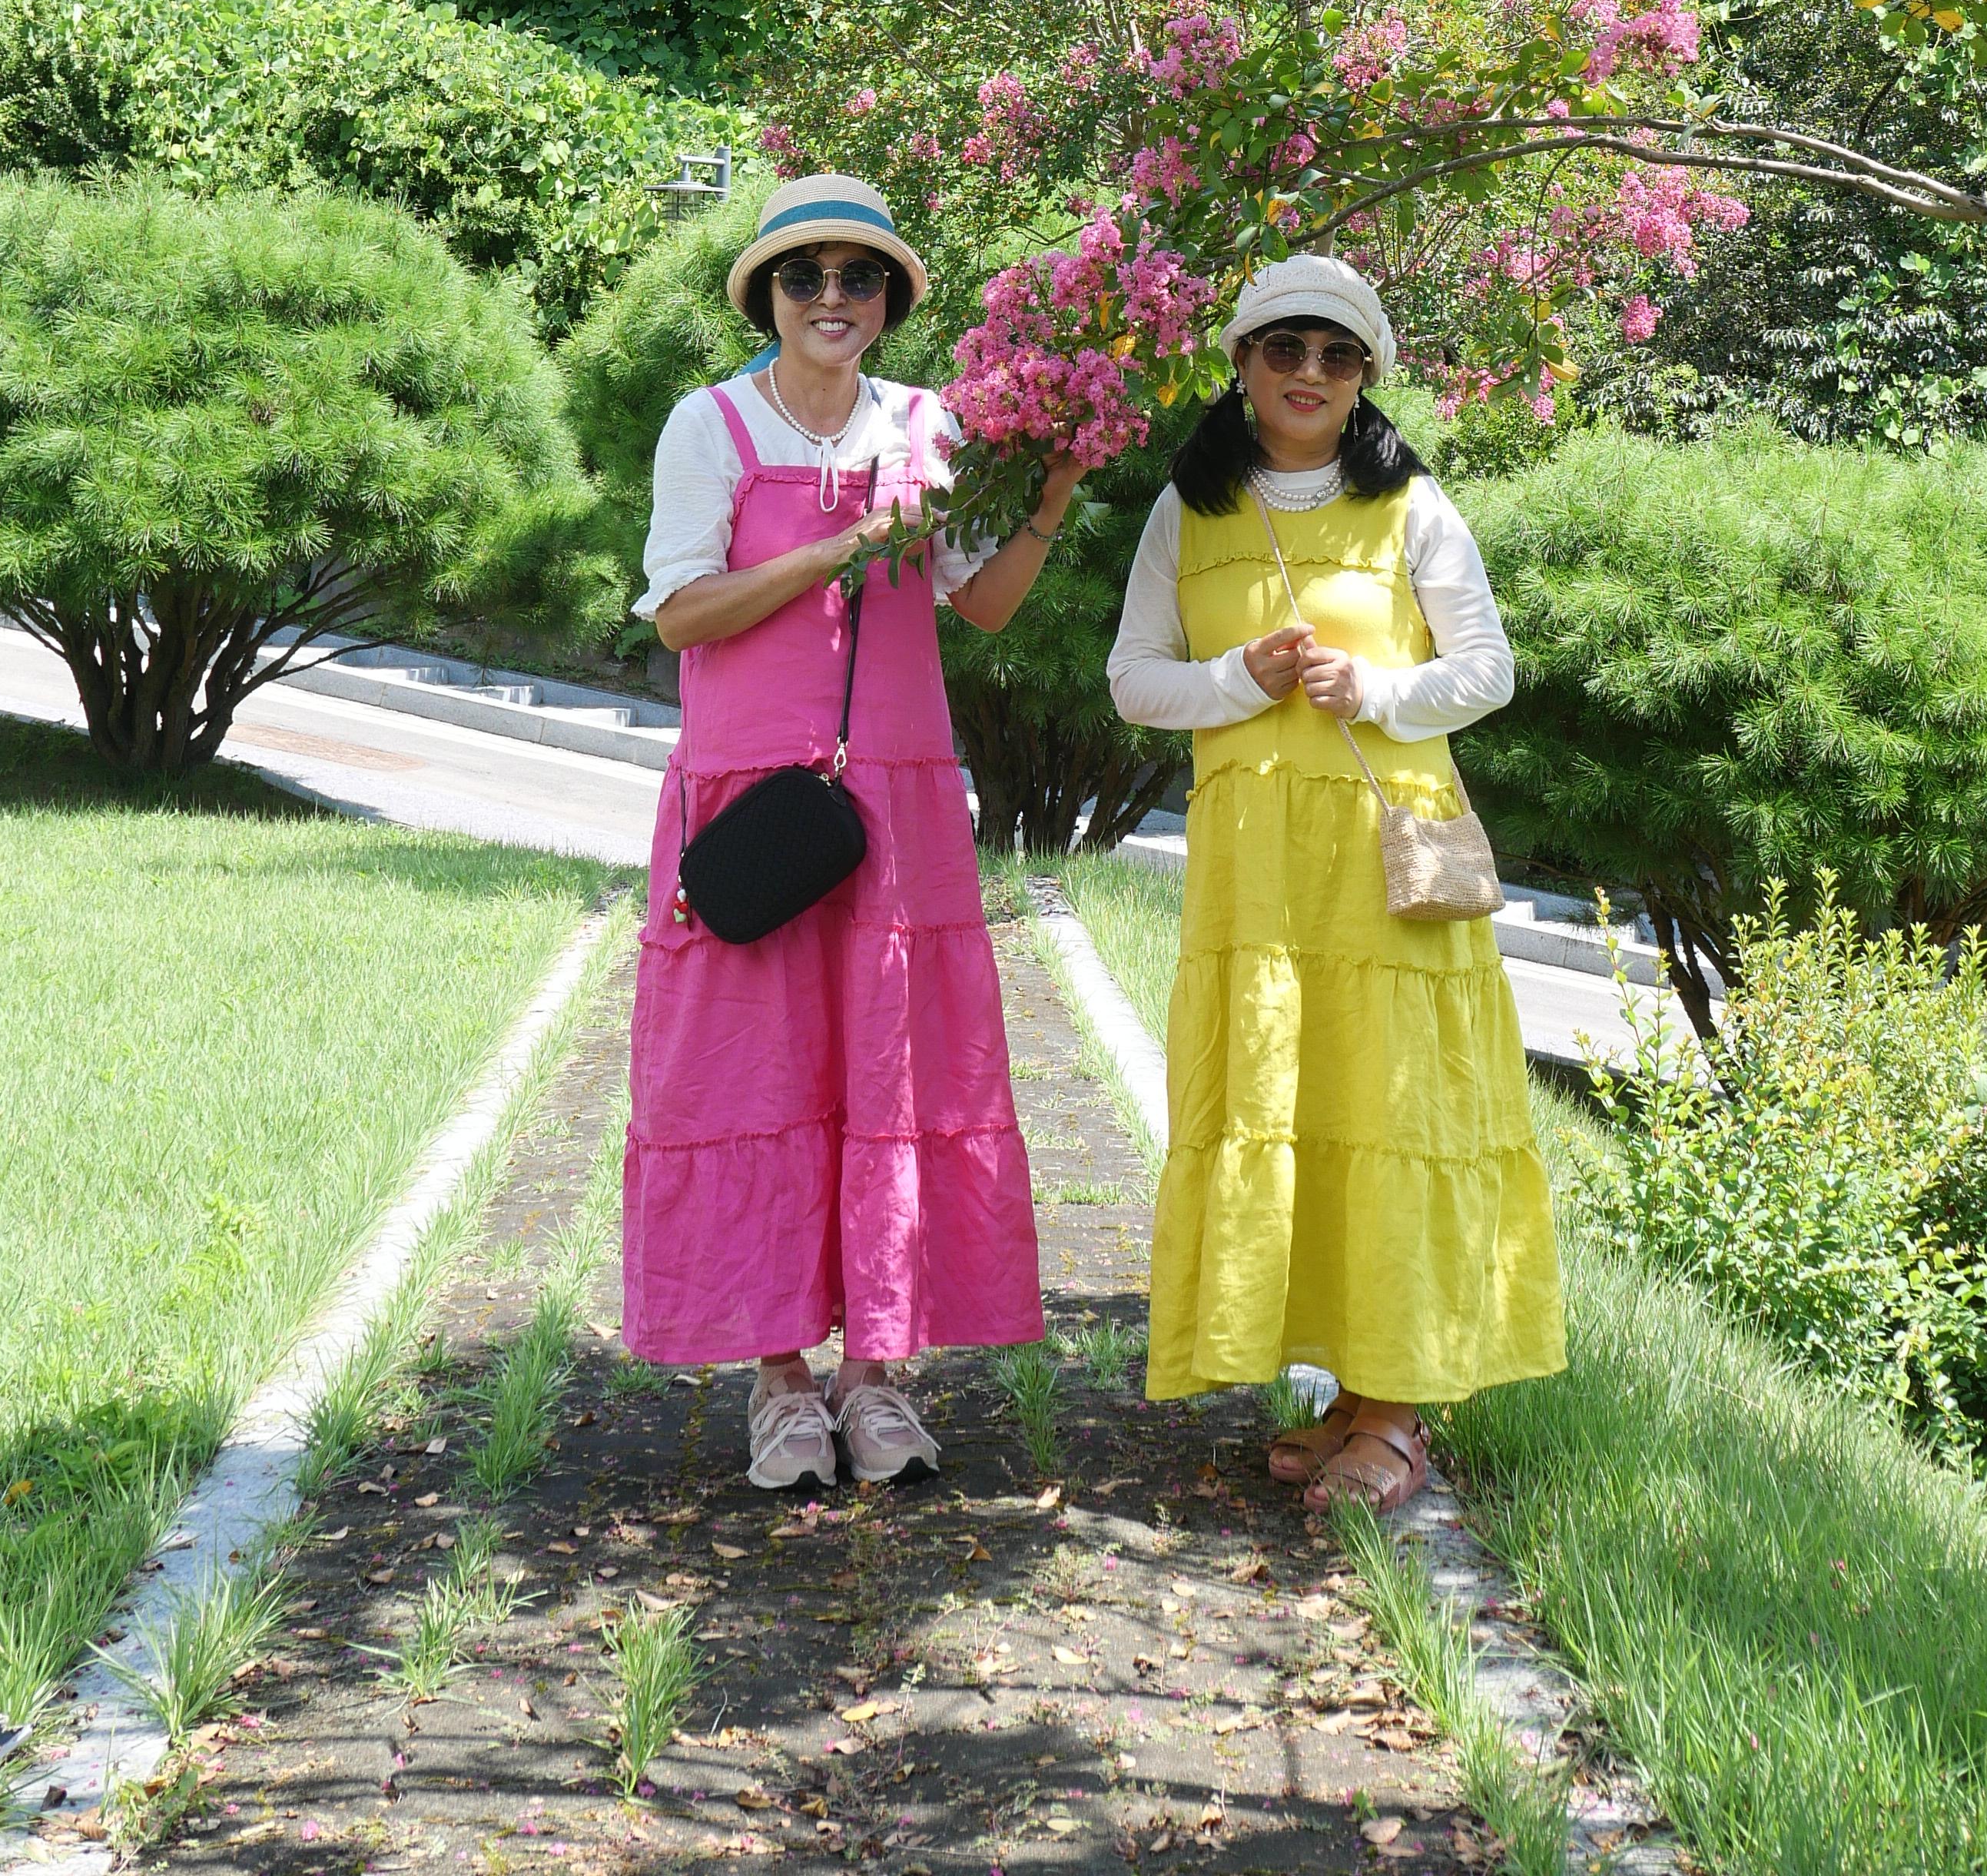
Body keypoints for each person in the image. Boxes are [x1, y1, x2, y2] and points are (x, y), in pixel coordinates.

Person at [629, 171, 1080, 1493]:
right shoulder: (710, 424)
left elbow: (982, 605)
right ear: (766, 297)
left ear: (890, 299)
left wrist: (1051, 495)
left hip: (894, 794)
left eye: (860, 277)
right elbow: (682, 613)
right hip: (754, 795)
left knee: (891, 1066)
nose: (833, 297)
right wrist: (837, 550)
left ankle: (877, 1371)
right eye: (805, 276)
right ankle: (780, 1383)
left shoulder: (929, 427)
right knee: (754, 1073)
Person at [1104, 254, 1563, 1511]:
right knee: (1294, 1107)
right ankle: (1344, 1395)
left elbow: (1488, 670)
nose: (1309, 373)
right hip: (1256, 879)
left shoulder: (1413, 503)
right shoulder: (1186, 510)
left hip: (1385, 865)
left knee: (1393, 1113)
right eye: (1286, 348)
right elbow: (1134, 679)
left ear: (1366, 376)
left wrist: (1377, 690)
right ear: (1243, 363)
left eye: (1337, 355)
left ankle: (1397, 1408)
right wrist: (1236, 680)